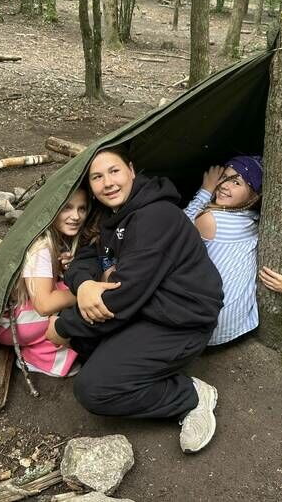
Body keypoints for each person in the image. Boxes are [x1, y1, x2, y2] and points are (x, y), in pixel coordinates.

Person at [45, 146, 224, 454]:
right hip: (148, 310)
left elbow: (120, 300)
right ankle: (135, 370)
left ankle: (190, 396)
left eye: (114, 171)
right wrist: (84, 284)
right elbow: (87, 256)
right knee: (84, 339)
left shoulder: (155, 217)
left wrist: (61, 327)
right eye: (97, 177)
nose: (108, 183)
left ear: (130, 170)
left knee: (93, 389)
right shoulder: (115, 214)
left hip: (181, 323)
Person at [184, 155, 282, 346]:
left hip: (199, 328)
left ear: (254, 195)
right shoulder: (257, 223)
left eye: (236, 182)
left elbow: (175, 226)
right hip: (233, 328)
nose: (224, 185)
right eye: (224, 177)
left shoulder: (210, 219)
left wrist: (206, 190)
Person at [0, 187, 93, 378]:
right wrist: (85, 292)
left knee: (68, 290)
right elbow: (44, 305)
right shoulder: (41, 247)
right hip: (9, 325)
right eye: (67, 208)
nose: (76, 216)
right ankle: (41, 358)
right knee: (73, 303)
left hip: (21, 314)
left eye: (82, 208)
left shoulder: (56, 239)